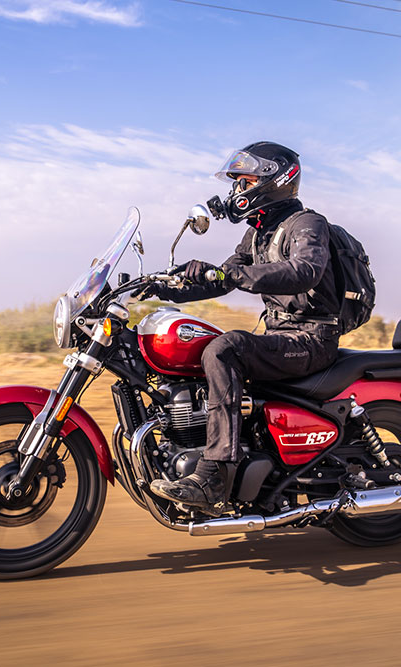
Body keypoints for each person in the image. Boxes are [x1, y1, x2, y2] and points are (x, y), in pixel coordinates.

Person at [141, 141, 342, 511]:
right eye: (235, 184)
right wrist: (157, 288)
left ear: (274, 181)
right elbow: (222, 279)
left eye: (243, 182)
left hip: (312, 337)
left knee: (223, 348)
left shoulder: (307, 225)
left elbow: (305, 271)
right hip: (281, 336)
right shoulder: (258, 234)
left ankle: (215, 475)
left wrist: (230, 272)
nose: (236, 192)